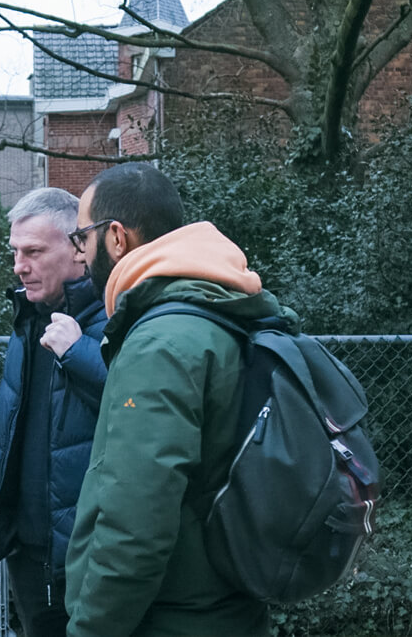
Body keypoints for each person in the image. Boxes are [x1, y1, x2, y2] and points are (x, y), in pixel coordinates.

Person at [64, 162, 296, 637]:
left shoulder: (160, 344)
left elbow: (136, 526)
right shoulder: (223, 311)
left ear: (115, 237)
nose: (79, 256)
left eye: (81, 238)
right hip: (232, 606)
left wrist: (91, 628)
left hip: (172, 619)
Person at [0, 187, 109, 637]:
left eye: (33, 251)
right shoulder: (27, 319)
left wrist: (77, 353)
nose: (19, 265)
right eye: (15, 251)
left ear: (79, 249)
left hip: (89, 555)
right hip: (28, 553)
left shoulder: (117, 317)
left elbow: (136, 406)